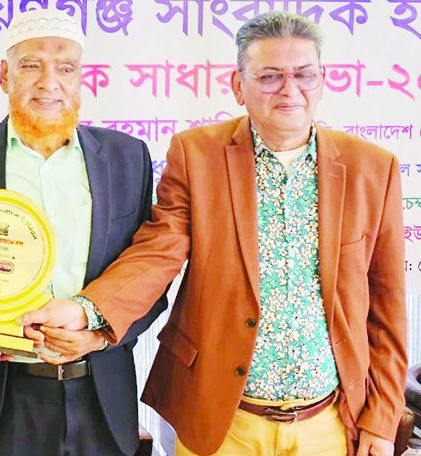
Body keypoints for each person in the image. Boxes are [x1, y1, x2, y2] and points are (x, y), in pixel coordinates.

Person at [21, 10, 407, 456]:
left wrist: (382, 420)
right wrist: (87, 310)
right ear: (238, 86)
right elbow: (157, 253)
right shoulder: (198, 155)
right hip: (221, 423)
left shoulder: (371, 168)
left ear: (321, 82)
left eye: (304, 75)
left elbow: (387, 306)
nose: (290, 90)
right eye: (270, 76)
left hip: (330, 423)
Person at [0, 8, 166, 456]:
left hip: (101, 400)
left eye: (66, 68)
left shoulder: (126, 158)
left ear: (81, 79)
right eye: (31, 66)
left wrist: (97, 335)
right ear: (4, 76)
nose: (49, 83)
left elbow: (148, 278)